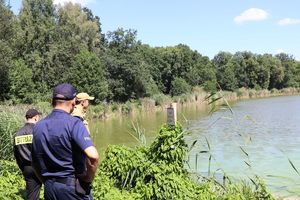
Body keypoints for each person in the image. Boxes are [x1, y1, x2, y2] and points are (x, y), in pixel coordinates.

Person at [31, 83, 99, 200]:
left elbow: (34, 162)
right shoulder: (74, 123)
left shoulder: (38, 126)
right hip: (72, 189)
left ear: (52, 101)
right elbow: (93, 157)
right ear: (73, 101)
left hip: (50, 189)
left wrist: (45, 181)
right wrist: (88, 179)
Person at [14, 108, 42, 200]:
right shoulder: (38, 131)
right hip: (40, 166)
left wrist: (23, 168)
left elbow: (16, 154)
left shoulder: (18, 133)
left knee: (32, 194)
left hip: (26, 167)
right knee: (52, 191)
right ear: (35, 118)